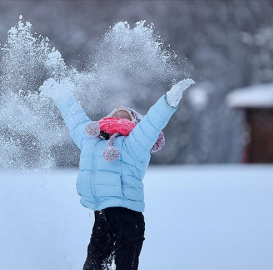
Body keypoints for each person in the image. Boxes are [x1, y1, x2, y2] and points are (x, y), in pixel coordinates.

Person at [39, 78, 195, 270]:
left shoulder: (135, 143)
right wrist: (61, 95)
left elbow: (153, 123)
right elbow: (75, 118)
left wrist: (169, 100)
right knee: (93, 266)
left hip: (128, 216)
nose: (121, 116)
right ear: (106, 120)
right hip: (102, 215)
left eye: (126, 116)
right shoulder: (91, 141)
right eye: (116, 115)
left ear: (135, 123)